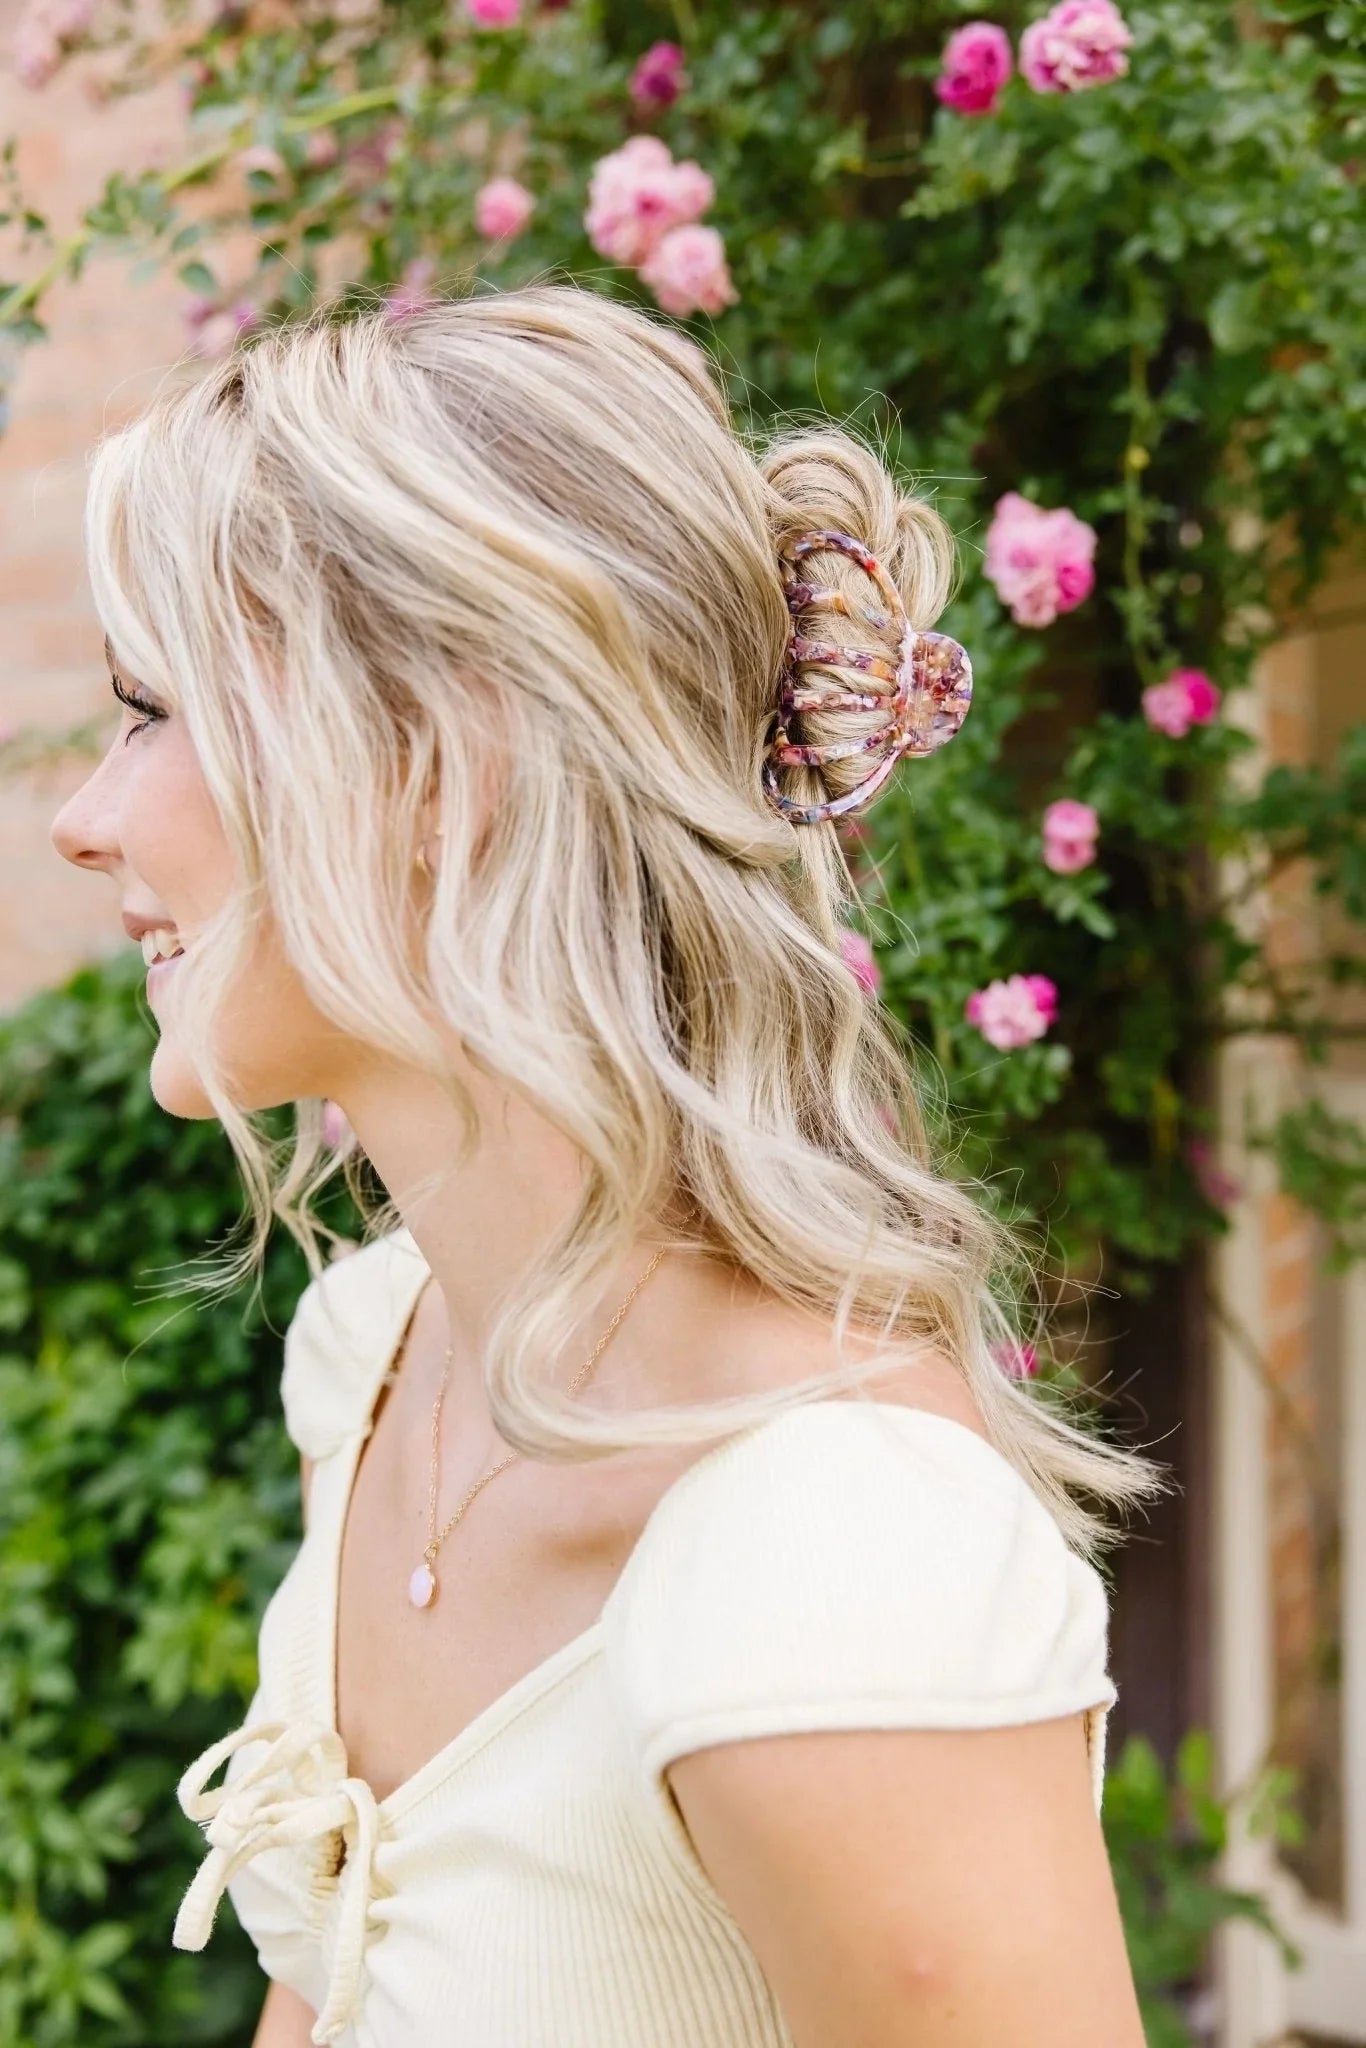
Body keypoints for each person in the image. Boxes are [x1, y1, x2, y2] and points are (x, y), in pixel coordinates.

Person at [51, 280, 1166, 2047]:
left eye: (151, 707)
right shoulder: (383, 1358)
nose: (84, 816)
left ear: (434, 760)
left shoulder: (836, 1555)